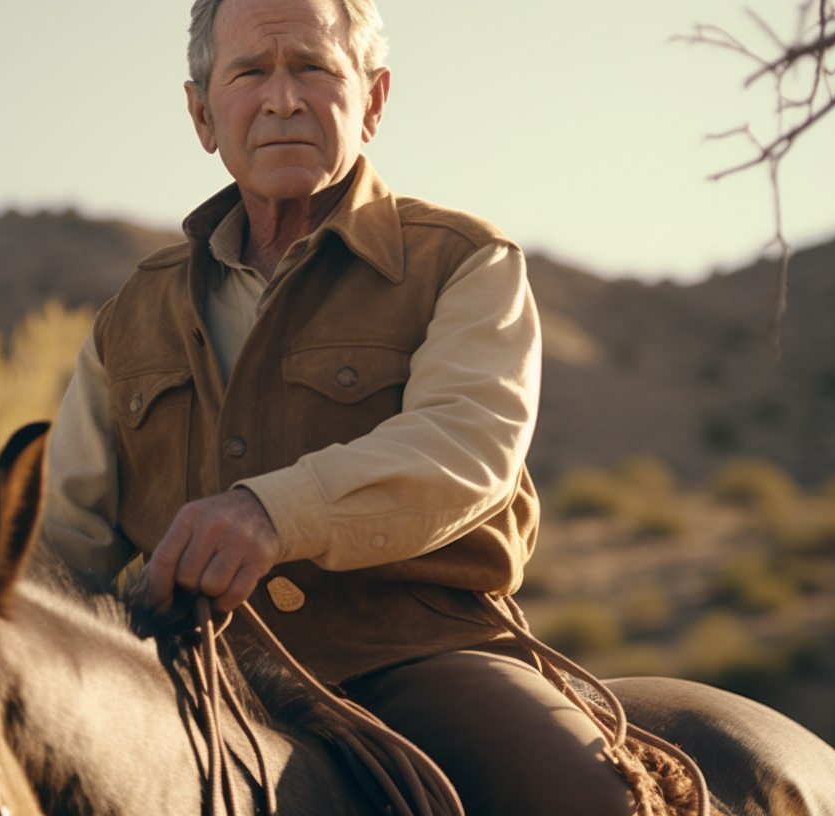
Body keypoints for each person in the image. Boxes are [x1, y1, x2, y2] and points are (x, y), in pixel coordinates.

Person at [41, 0, 636, 813]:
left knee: (588, 798)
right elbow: (60, 535)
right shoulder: (127, 319)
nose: (283, 99)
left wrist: (267, 513)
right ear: (201, 113)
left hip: (417, 654)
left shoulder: (463, 261)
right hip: (183, 678)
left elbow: (466, 446)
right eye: (249, 73)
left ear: (375, 99)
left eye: (314, 68)